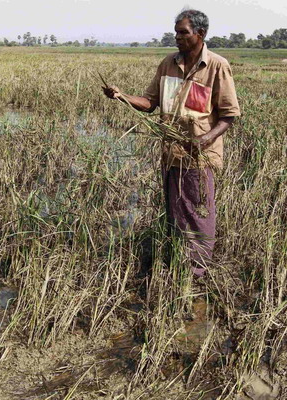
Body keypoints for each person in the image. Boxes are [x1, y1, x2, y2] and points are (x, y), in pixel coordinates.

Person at [103, 9, 240, 277]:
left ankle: (197, 269)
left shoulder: (216, 66)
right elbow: (149, 103)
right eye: (176, 31)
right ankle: (177, 256)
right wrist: (121, 96)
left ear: (200, 35)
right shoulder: (168, 64)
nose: (176, 36)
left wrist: (204, 139)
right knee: (175, 207)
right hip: (171, 152)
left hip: (200, 155)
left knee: (197, 210)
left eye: (183, 32)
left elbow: (229, 115)